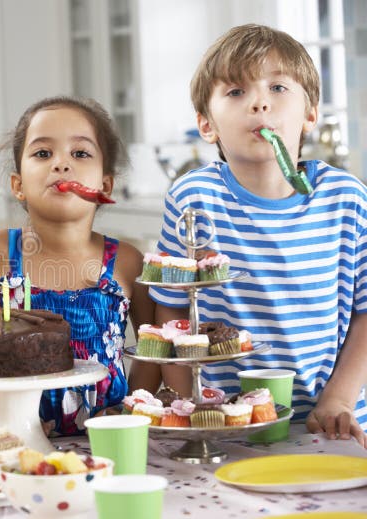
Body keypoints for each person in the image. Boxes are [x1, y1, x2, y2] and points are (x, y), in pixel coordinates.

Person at [145, 24, 367, 446]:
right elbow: (171, 316)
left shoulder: (348, 198)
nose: (260, 102)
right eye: (236, 92)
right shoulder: (194, 197)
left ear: (310, 113)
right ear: (206, 125)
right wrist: (189, 405)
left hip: (334, 423)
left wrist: (337, 399)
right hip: (227, 423)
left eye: (279, 87)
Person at [0, 95, 155, 436]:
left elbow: (153, 352)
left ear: (105, 185)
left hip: (110, 443)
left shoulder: (127, 261)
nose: (61, 164)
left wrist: (130, 415)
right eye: (42, 153)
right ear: (17, 185)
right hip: (19, 444)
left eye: (80, 154)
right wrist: (8, 422)